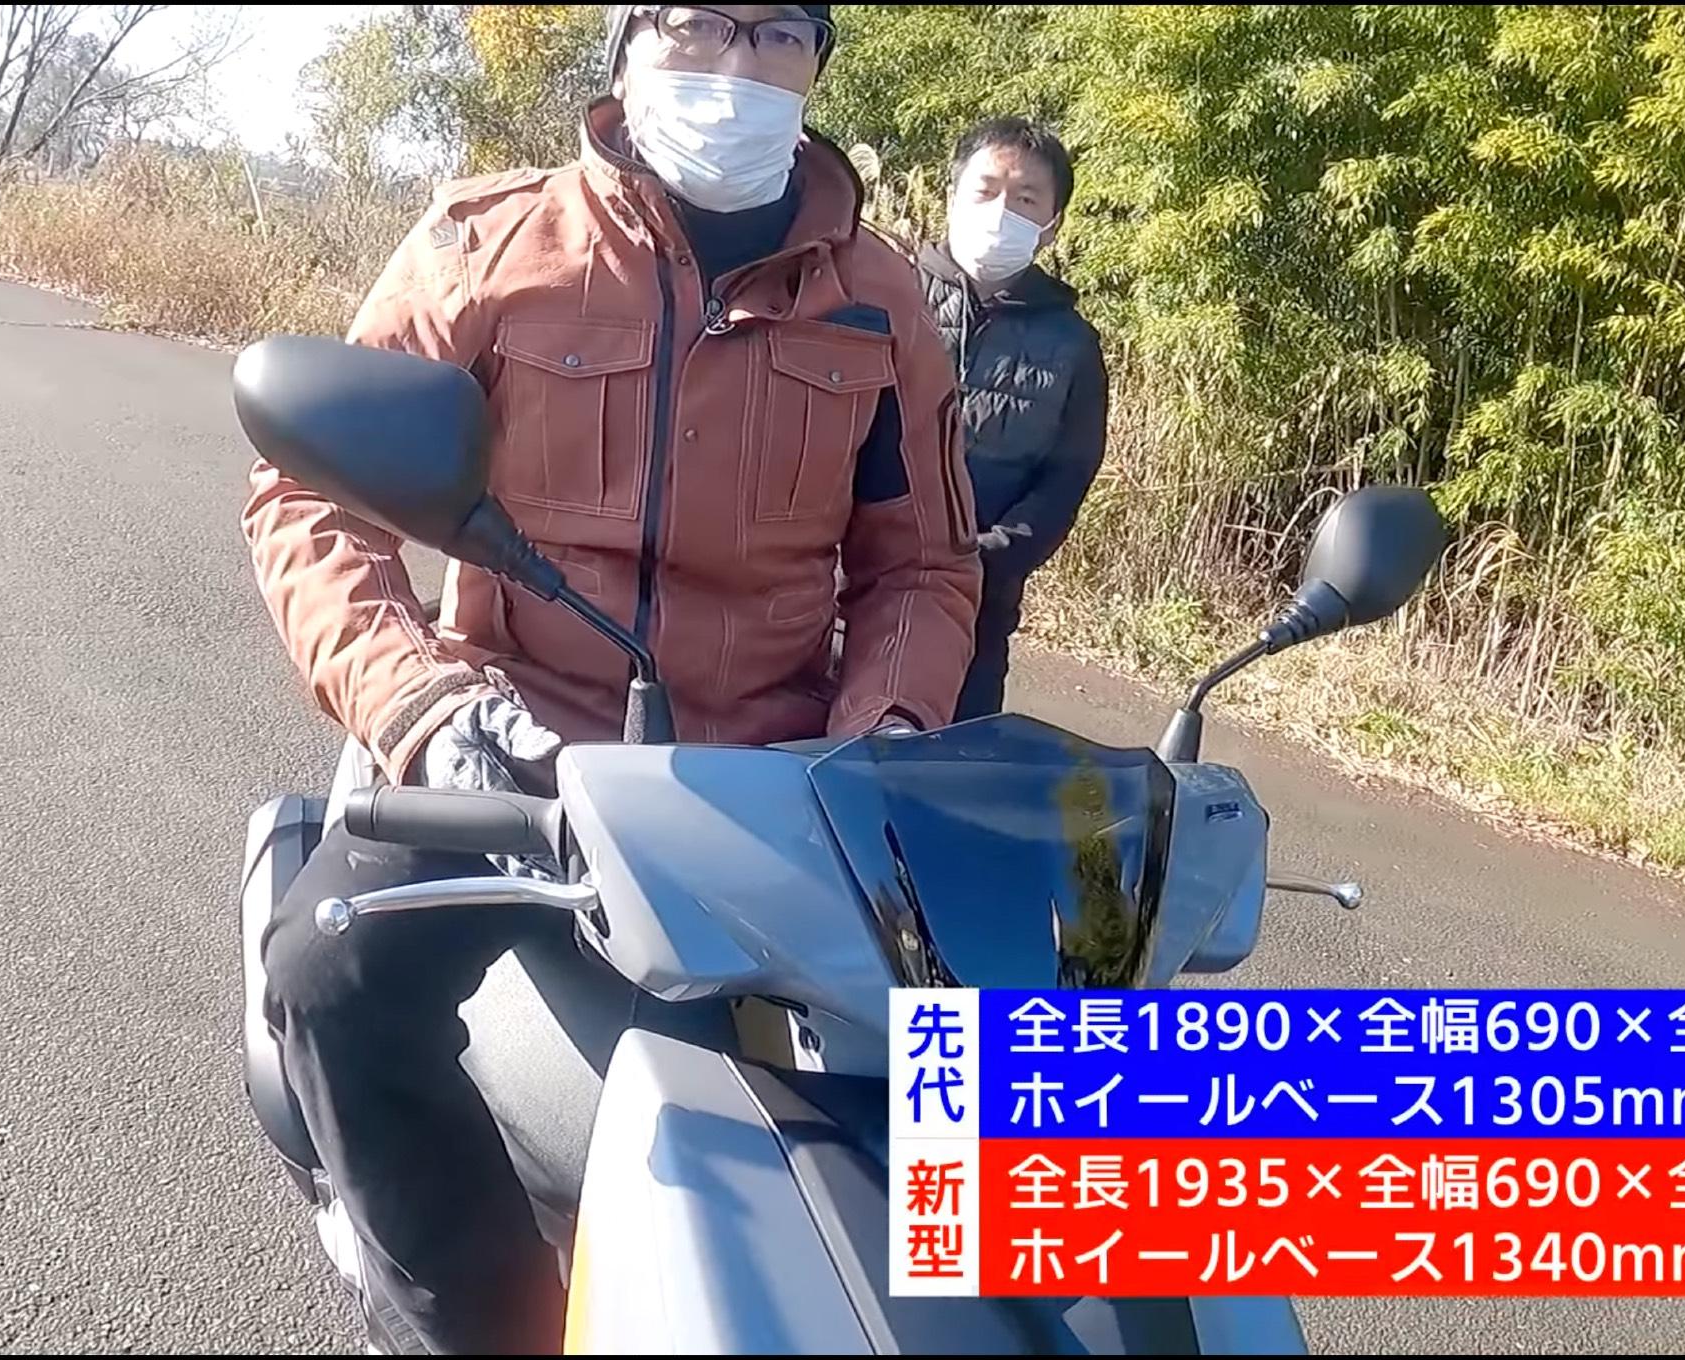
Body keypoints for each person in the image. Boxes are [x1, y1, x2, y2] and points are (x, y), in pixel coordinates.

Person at [239, 5, 979, 1353]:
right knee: (327, 977)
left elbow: (923, 570)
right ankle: (488, 1322)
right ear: (627, 48)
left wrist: (877, 737)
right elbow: (310, 497)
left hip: (771, 786)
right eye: (698, 26)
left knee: (989, 1066)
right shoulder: (490, 242)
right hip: (517, 755)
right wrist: (421, 703)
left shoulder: (881, 302)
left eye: (777, 34)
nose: (737, 68)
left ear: (817, 66)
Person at [917, 116, 1108, 722]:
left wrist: (983, 558)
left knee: (952, 763)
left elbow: (1066, 479)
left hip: (977, 608)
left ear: (1051, 224)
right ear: (953, 195)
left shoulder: (1072, 344)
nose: (1001, 211)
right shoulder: (880, 294)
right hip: (840, 599)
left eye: (1026, 199)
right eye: (986, 189)